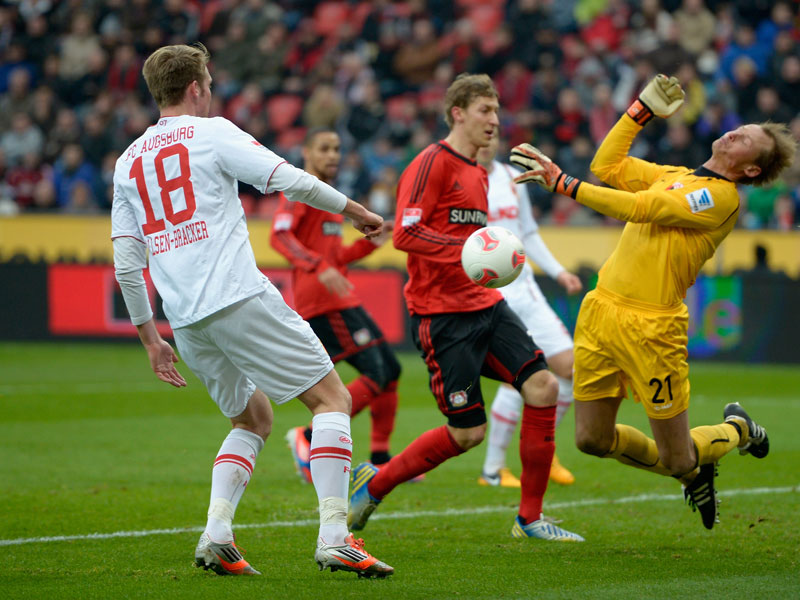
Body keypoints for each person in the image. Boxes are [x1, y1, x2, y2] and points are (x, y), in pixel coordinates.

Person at [110, 43, 393, 577]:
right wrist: (355, 210)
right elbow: (288, 177)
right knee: (332, 399)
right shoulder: (213, 131)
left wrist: (151, 338)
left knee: (253, 416)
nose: (212, 88)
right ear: (196, 86)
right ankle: (336, 536)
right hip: (238, 295)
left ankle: (217, 533)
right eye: (209, 80)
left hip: (186, 319)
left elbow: (127, 263)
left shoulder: (128, 161)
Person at [510, 74, 795, 529]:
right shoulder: (677, 176)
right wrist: (638, 111)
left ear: (751, 170)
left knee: (678, 457)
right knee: (590, 440)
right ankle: (691, 471)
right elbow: (607, 166)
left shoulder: (720, 198)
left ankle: (735, 430)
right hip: (602, 311)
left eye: (746, 140)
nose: (736, 132)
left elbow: (643, 208)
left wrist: (562, 183)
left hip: (653, 328)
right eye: (741, 128)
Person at [348, 73, 585, 542]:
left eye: (497, 111)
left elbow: (474, 245)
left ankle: (529, 519)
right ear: (458, 113)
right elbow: (406, 235)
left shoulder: (481, 172)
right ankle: (374, 483)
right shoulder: (430, 163)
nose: (494, 120)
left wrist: (492, 262)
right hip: (442, 315)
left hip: (486, 304)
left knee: (542, 386)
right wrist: (469, 251)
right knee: (466, 434)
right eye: (485, 111)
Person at [270, 127, 402, 482]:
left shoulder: (329, 198)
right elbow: (278, 236)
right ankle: (308, 437)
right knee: (378, 372)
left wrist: (372, 244)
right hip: (323, 303)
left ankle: (381, 459)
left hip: (341, 298)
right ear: (307, 153)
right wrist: (318, 267)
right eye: (325, 149)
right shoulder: (299, 188)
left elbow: (337, 256)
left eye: (337, 149)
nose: (333, 155)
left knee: (390, 371)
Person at [475, 132, 583, 489]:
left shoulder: (510, 177)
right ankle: (492, 470)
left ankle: (543, 452)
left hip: (526, 289)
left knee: (568, 368)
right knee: (520, 372)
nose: (489, 135)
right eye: (483, 124)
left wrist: (559, 271)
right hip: (490, 294)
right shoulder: (457, 178)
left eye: (494, 127)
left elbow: (529, 233)